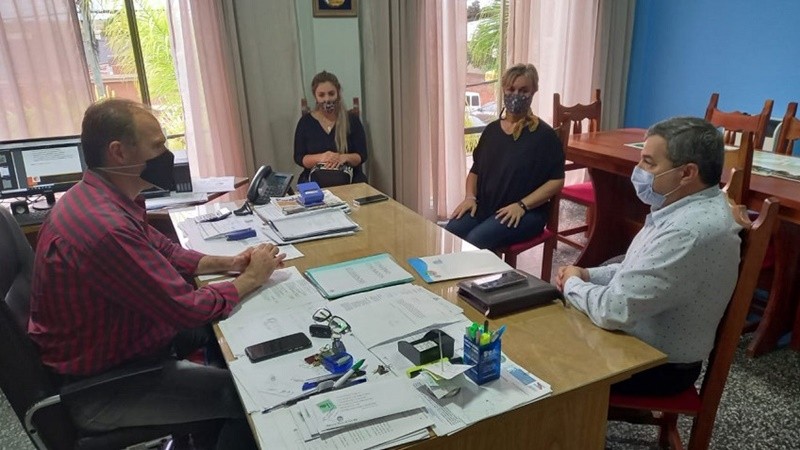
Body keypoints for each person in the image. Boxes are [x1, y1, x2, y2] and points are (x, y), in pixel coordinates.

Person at [29, 98, 284, 449]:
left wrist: (229, 263)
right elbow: (185, 308)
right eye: (158, 146)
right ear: (119, 153)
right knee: (250, 396)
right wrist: (251, 279)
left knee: (225, 334)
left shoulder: (99, 198)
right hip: (104, 386)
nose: (167, 155)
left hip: (123, 344)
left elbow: (165, 249)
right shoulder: (105, 228)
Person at [556, 117, 742, 396]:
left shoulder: (686, 232)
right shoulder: (684, 207)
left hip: (656, 364)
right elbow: (636, 270)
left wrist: (572, 283)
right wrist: (587, 274)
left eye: (649, 163)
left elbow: (612, 310)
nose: (638, 170)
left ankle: (572, 419)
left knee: (545, 355)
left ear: (687, 173)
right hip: (639, 339)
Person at [445, 63, 565, 249]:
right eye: (511, 89)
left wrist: (522, 205)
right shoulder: (491, 131)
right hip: (486, 206)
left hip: (526, 212)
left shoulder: (544, 136)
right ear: (504, 89)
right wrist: (469, 197)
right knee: (451, 232)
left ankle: (481, 269)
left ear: (534, 91)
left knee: (476, 240)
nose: (516, 95)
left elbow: (556, 181)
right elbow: (475, 171)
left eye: (523, 90)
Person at [293, 70, 368, 185]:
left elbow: (362, 155)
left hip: (350, 181)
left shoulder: (352, 120)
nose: (327, 99)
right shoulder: (305, 122)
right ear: (315, 96)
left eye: (331, 94)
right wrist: (322, 157)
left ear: (338, 93)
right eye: (321, 95)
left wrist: (342, 157)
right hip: (314, 182)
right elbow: (299, 158)